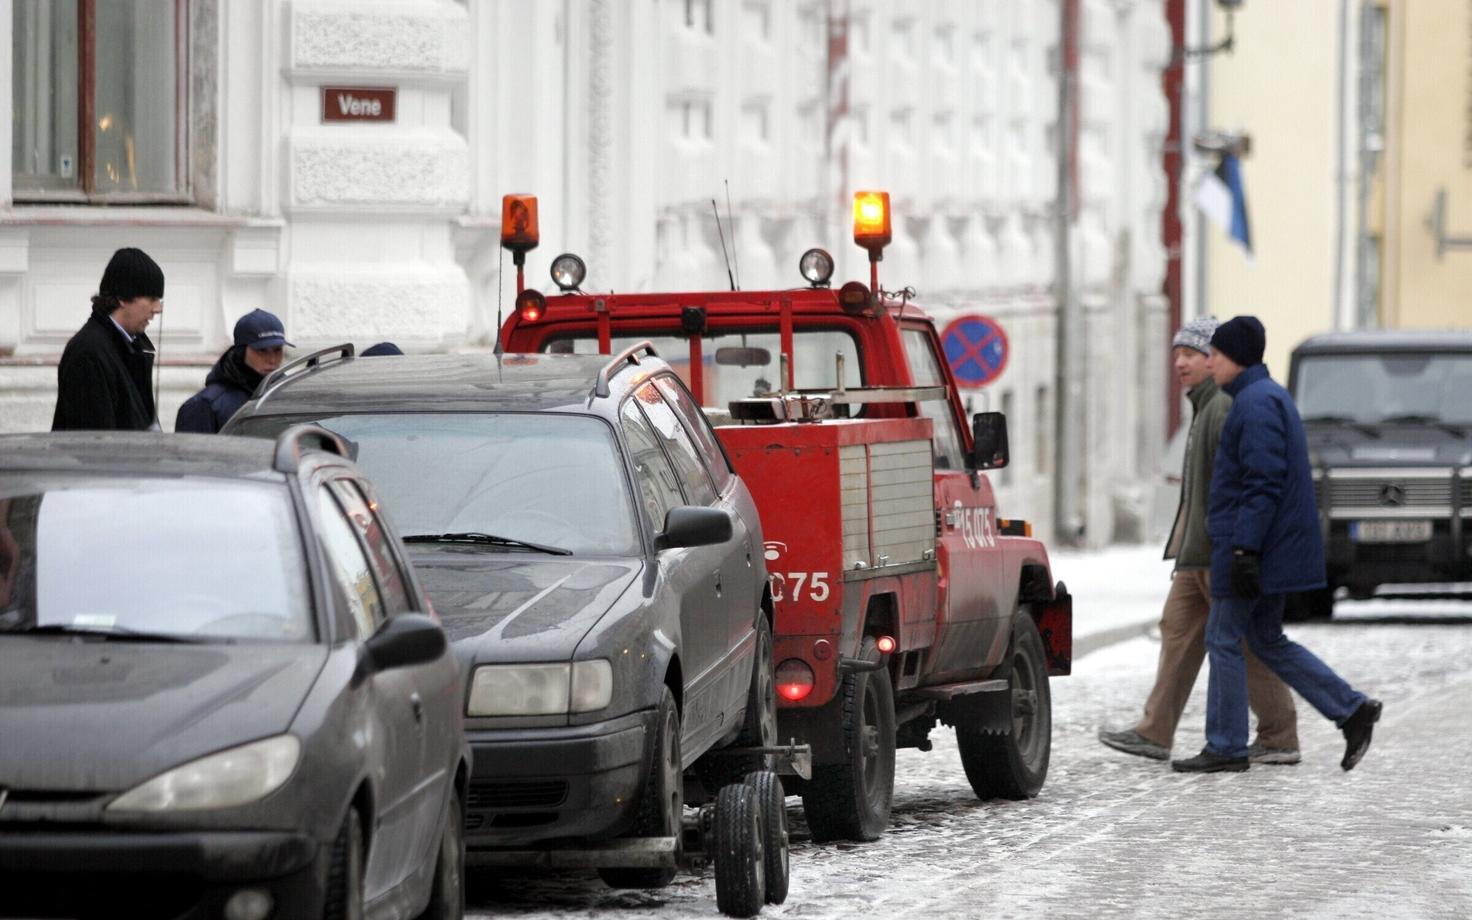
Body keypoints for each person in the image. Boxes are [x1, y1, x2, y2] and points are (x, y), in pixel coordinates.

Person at [1173, 316, 1381, 774]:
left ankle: (1225, 746)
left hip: (1254, 549)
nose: (1209, 362)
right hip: (1268, 548)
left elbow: (1261, 484)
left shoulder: (1256, 404)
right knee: (1265, 639)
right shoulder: (1259, 397)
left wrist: (1244, 550)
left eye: (1215, 355)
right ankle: (1351, 710)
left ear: (1234, 358)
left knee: (1223, 638)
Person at [1099, 317, 1300, 764]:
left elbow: (1242, 486)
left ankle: (1279, 735)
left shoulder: (1225, 408)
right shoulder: (1204, 406)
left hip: (1216, 551)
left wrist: (1233, 547)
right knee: (1177, 632)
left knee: (1242, 643)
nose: (1181, 363)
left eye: (1192, 354)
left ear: (1216, 361)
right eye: (1177, 354)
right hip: (1195, 553)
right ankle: (1155, 732)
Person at [51, 248, 164, 431]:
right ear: (122, 297)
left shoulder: (131, 347)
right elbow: (93, 444)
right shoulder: (89, 353)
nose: (158, 309)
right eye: (151, 298)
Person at [175, 310, 292, 434]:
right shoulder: (204, 405)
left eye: (277, 350)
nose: (272, 359)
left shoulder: (289, 395)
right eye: (262, 350)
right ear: (241, 352)